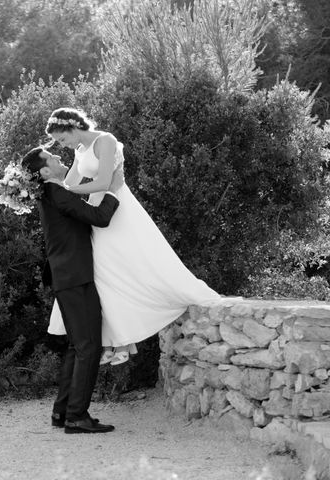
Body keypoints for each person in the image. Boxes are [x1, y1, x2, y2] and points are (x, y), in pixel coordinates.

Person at [45, 107, 221, 366]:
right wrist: (46, 190)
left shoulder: (105, 140)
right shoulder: (79, 150)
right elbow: (68, 183)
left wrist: (67, 192)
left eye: (62, 138)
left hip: (116, 205)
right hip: (96, 209)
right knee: (105, 272)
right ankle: (120, 340)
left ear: (72, 128)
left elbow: (104, 181)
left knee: (125, 265)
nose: (63, 144)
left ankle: (124, 340)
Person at [21, 146, 123, 434]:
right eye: (53, 159)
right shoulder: (57, 193)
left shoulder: (51, 194)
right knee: (89, 346)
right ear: (44, 172)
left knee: (76, 346)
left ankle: (62, 411)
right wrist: (114, 189)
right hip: (75, 278)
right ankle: (77, 416)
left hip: (68, 278)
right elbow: (100, 217)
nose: (59, 159)